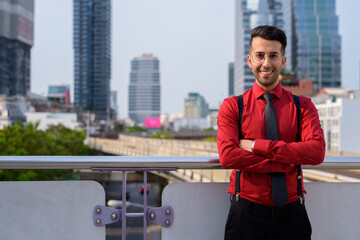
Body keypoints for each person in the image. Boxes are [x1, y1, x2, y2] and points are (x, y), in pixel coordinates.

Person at [217, 25, 325, 240]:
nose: (266, 63)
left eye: (273, 56)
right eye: (260, 56)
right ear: (250, 61)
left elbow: (316, 152)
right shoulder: (232, 106)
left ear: (282, 61)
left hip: (293, 214)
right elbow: (228, 156)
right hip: (246, 215)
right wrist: (287, 161)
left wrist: (258, 146)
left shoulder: (303, 106)